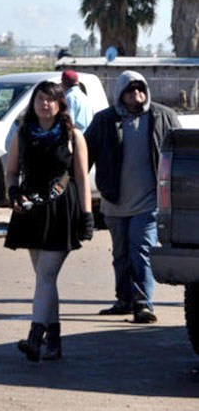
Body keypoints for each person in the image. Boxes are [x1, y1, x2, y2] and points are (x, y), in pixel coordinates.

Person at [5, 81, 93, 361]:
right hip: (31, 211)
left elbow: (81, 177)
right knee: (46, 279)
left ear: (59, 104)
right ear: (33, 103)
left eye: (51, 99)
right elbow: (11, 171)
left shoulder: (73, 135)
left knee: (45, 276)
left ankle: (35, 338)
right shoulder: (22, 133)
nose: (45, 104)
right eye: (40, 99)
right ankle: (53, 343)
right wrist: (13, 192)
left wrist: (87, 215)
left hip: (62, 210)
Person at [85, 71, 180, 324]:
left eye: (140, 89)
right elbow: (85, 154)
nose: (136, 94)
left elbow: (178, 153)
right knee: (121, 254)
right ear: (120, 93)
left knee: (141, 250)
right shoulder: (104, 121)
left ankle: (143, 304)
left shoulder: (163, 116)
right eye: (130, 90)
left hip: (149, 201)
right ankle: (124, 300)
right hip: (114, 201)